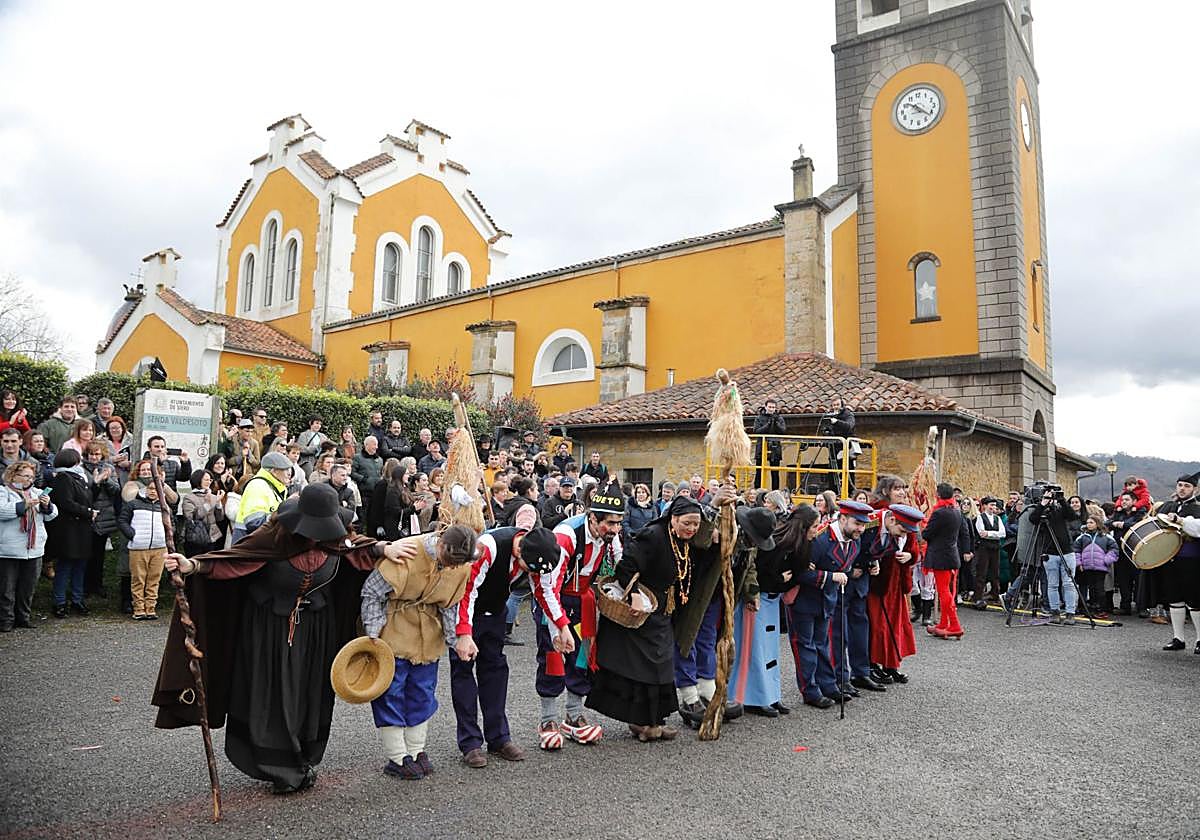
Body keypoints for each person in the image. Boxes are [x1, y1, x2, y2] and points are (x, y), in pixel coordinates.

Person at [155, 483, 405, 794]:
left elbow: (359, 550)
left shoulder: (338, 541)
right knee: (275, 694)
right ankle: (280, 767)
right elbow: (232, 560)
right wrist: (191, 565)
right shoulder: (272, 539)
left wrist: (385, 548)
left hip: (317, 630)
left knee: (310, 694)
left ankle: (304, 758)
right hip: (269, 630)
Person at [586, 494, 712, 742]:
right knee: (643, 669)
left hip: (662, 610)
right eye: (687, 523)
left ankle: (654, 721)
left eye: (695, 524)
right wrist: (632, 594)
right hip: (641, 609)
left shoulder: (683, 540)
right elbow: (626, 567)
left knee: (661, 667)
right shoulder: (653, 535)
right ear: (673, 518)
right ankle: (643, 723)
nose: (691, 529)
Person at [361, 523, 477, 781]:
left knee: (423, 691)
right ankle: (397, 755)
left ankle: (416, 750)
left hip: (428, 635)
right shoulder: (409, 551)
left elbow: (450, 605)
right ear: (442, 545)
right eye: (450, 560)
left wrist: (455, 638)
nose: (453, 568)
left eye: (458, 564)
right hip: (395, 628)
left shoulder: (460, 566)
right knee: (391, 690)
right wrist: (373, 633)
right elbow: (372, 591)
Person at [451, 524, 562, 768]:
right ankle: (470, 743)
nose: (528, 574)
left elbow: (544, 591)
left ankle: (499, 737)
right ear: (520, 550)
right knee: (464, 675)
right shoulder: (489, 547)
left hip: (495, 612)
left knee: (496, 672)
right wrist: (463, 633)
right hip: (466, 614)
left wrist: (561, 627)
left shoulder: (538, 551)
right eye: (526, 567)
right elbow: (466, 591)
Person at [537, 492, 625, 749]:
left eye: (619, 523)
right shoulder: (566, 536)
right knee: (553, 655)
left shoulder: (611, 535)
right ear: (592, 517)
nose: (615, 529)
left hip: (583, 600)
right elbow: (548, 587)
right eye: (610, 523)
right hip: (553, 597)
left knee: (582, 657)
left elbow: (620, 565)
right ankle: (548, 720)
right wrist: (558, 626)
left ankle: (574, 716)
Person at [821, 500, 881, 696]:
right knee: (834, 636)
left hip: (847, 587)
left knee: (849, 632)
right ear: (843, 518)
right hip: (821, 594)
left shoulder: (854, 539)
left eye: (863, 525)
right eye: (857, 524)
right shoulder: (823, 537)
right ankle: (834, 679)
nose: (861, 529)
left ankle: (847, 676)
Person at [729, 505, 784, 716]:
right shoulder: (730, 536)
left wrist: (752, 593)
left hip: (736, 597)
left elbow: (749, 568)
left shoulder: (749, 544)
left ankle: (739, 696)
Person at [864, 504, 922, 684]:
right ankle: (872, 665)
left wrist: (910, 557)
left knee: (896, 626)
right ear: (891, 519)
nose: (904, 535)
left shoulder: (907, 526)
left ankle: (892, 665)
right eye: (902, 530)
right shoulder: (871, 524)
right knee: (877, 627)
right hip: (877, 585)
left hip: (896, 585)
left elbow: (915, 551)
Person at [0, 460, 56, 631]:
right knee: (6, 589)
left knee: (28, 587)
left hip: (34, 548)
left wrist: (47, 506)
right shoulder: (4, 491)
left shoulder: (38, 492)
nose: (29, 480)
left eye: (31, 477)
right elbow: (2, 511)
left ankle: (23, 618)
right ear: (13, 475)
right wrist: (26, 504)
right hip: (8, 549)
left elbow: (52, 515)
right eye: (25, 476)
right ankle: (6, 620)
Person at [48, 449, 95, 617]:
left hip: (82, 529)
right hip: (68, 530)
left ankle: (77, 599)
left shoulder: (79, 477)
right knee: (65, 567)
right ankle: (59, 602)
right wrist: (89, 512)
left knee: (80, 567)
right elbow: (66, 502)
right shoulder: (63, 478)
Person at [117, 470, 169, 620]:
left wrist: (165, 538)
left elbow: (170, 524)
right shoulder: (134, 504)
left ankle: (151, 607)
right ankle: (139, 608)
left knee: (154, 579)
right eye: (151, 488)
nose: (153, 491)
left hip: (159, 548)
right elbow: (122, 521)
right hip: (139, 547)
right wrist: (133, 535)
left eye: (157, 489)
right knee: (138, 579)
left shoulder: (164, 507)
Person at [1157, 473, 1200, 653]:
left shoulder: (1198, 507)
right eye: (1180, 485)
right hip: (1171, 558)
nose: (1182, 488)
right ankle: (1178, 638)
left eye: (1187, 486)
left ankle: (1199, 640)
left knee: (1195, 601)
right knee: (1174, 599)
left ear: (1195, 489)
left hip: (1192, 559)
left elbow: (1197, 529)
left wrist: (1180, 520)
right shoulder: (1170, 506)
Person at [1028, 485, 1082, 625]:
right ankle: (1055, 612)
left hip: (1067, 552)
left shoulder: (1060, 510)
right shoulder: (1042, 512)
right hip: (1049, 553)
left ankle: (1070, 613)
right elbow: (1032, 519)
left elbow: (1073, 516)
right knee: (1052, 584)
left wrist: (1062, 500)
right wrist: (1043, 503)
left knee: (1069, 583)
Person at [922, 483, 968, 639]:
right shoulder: (956, 511)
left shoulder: (939, 513)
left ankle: (955, 625)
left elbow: (927, 534)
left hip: (940, 556)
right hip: (951, 554)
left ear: (939, 495)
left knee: (943, 592)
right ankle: (943, 624)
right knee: (945, 590)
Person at [81, 442, 120, 596]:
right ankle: (84, 586)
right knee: (86, 554)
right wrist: (95, 481)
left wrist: (106, 479)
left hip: (104, 516)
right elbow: (84, 491)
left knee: (99, 554)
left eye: (97, 454)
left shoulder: (109, 468)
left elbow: (117, 489)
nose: (94, 457)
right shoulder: (82, 469)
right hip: (87, 515)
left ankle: (97, 584)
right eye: (91, 454)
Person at [232, 451, 292, 542]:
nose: (289, 473)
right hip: (249, 548)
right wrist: (285, 513)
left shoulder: (273, 487)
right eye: (285, 469)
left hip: (257, 546)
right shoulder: (258, 485)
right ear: (274, 471)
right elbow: (254, 522)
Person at [1105, 491, 1145, 615]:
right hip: (1121, 552)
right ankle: (1125, 606)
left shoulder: (1141, 512)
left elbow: (1139, 525)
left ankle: (1141, 607)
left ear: (1134, 501)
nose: (1123, 502)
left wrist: (1123, 524)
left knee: (1139, 581)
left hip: (1136, 552)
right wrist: (1115, 523)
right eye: (1122, 500)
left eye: (1127, 500)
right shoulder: (1118, 513)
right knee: (1123, 580)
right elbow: (1107, 524)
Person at [1073, 514, 1117, 618]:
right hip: (1087, 567)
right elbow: (1076, 550)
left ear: (1097, 524)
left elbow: (1114, 550)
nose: (1089, 525)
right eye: (1087, 523)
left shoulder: (1106, 537)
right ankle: (1093, 608)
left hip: (1100, 567)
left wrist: (1106, 560)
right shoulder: (1082, 537)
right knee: (1091, 589)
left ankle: (1101, 609)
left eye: (1091, 522)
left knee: (1100, 589)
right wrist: (1079, 563)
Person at [181, 469, 226, 557]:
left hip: (212, 537)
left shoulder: (213, 496)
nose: (209, 482)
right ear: (198, 480)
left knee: (209, 565)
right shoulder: (189, 498)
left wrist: (218, 503)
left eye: (210, 480)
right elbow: (190, 517)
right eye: (206, 480)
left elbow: (220, 518)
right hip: (196, 537)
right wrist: (207, 504)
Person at [972, 497, 1006, 606]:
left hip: (995, 548)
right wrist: (994, 534)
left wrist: (989, 534)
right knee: (982, 572)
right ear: (984, 506)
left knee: (995, 572)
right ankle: (978, 596)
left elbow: (1003, 533)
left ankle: (995, 595)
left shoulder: (997, 519)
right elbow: (981, 533)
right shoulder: (980, 518)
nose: (993, 508)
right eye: (991, 505)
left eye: (994, 505)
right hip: (984, 548)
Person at [753, 398, 787, 491]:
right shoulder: (759, 418)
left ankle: (775, 491)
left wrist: (775, 423)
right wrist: (768, 424)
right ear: (765, 407)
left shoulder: (779, 418)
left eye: (773, 407)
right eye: (770, 407)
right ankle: (757, 490)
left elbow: (783, 431)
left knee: (775, 472)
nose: (771, 409)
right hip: (762, 446)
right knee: (759, 470)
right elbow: (756, 431)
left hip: (775, 447)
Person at [352, 436, 385, 518]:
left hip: (377, 492)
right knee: (364, 515)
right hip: (364, 492)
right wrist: (363, 479)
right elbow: (352, 472)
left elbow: (382, 473)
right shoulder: (357, 458)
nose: (376, 447)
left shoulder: (380, 460)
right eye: (374, 444)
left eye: (377, 445)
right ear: (366, 445)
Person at [101, 417, 133, 485]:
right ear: (108, 429)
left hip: (127, 477)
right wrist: (112, 459)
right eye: (112, 428)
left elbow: (138, 459)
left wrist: (129, 464)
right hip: (108, 477)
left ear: (122, 428)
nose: (115, 430)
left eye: (117, 428)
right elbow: (97, 459)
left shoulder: (132, 439)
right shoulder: (100, 440)